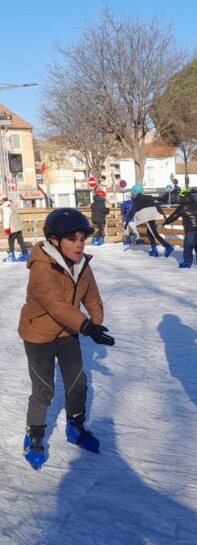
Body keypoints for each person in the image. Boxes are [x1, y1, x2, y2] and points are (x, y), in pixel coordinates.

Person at [17, 208, 115, 470]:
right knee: (44, 390)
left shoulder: (81, 265)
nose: (79, 244)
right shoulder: (41, 267)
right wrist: (85, 326)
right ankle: (34, 435)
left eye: (82, 239)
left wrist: (96, 324)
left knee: (77, 383)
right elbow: (55, 304)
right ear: (54, 241)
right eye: (72, 239)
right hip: (38, 336)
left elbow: (91, 296)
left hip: (67, 333)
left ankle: (76, 426)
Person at [163, 187, 197, 267]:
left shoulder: (182, 206)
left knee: (188, 246)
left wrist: (166, 222)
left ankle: (187, 263)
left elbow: (174, 216)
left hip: (190, 229)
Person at [123, 185, 173, 257]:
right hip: (152, 216)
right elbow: (157, 204)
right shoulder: (147, 197)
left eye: (133, 192)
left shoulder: (137, 199)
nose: (133, 193)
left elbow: (132, 212)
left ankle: (168, 246)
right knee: (149, 233)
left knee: (154, 233)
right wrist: (162, 213)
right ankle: (154, 250)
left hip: (148, 217)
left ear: (136, 192)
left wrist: (127, 222)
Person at [1, 198, 29, 262]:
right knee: (20, 241)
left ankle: (12, 257)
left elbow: (6, 219)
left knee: (10, 242)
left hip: (12, 227)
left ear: (3, 201)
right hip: (18, 227)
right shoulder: (10, 205)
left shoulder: (5, 207)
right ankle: (25, 255)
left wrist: (7, 229)